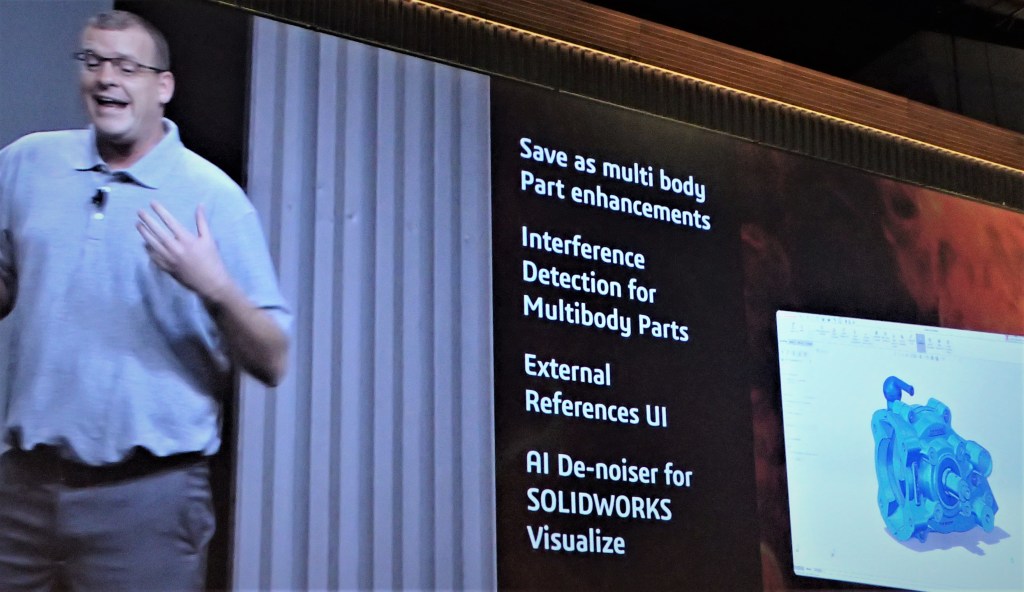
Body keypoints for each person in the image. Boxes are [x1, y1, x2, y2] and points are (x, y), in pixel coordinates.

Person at [0, 10, 290, 591]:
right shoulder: (27, 162)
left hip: (147, 503)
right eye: (93, 61)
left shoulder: (213, 197)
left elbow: (273, 359)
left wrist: (215, 286)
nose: (106, 77)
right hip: (23, 493)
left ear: (164, 86)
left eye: (127, 66)